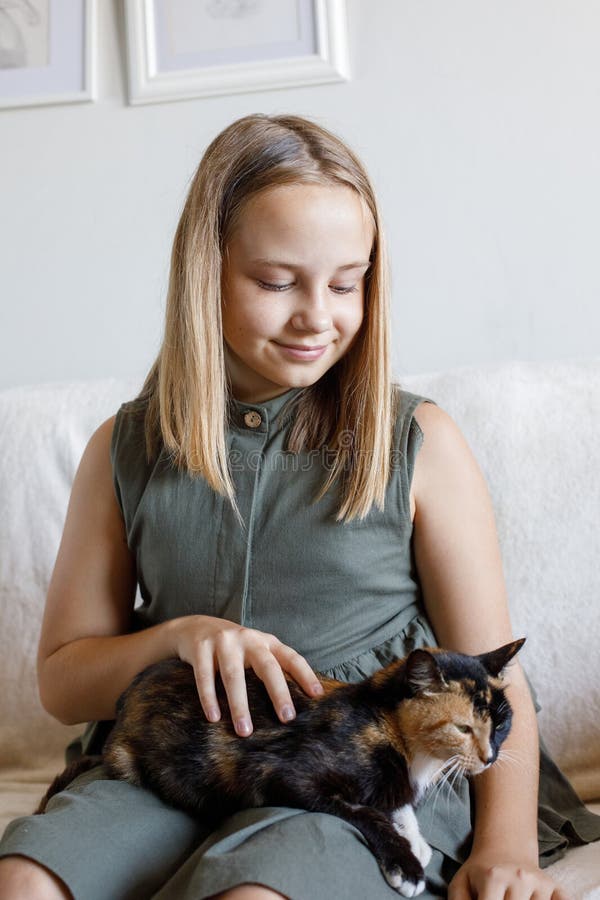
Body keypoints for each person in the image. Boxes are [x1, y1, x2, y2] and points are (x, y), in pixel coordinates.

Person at [0, 113, 598, 900]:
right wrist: (180, 637)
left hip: (354, 777)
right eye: (278, 281)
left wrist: (508, 848)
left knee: (254, 894)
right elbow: (64, 680)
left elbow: (494, 675)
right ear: (206, 272)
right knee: (26, 880)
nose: (319, 314)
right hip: (177, 761)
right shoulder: (127, 447)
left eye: (347, 283)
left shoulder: (417, 441)